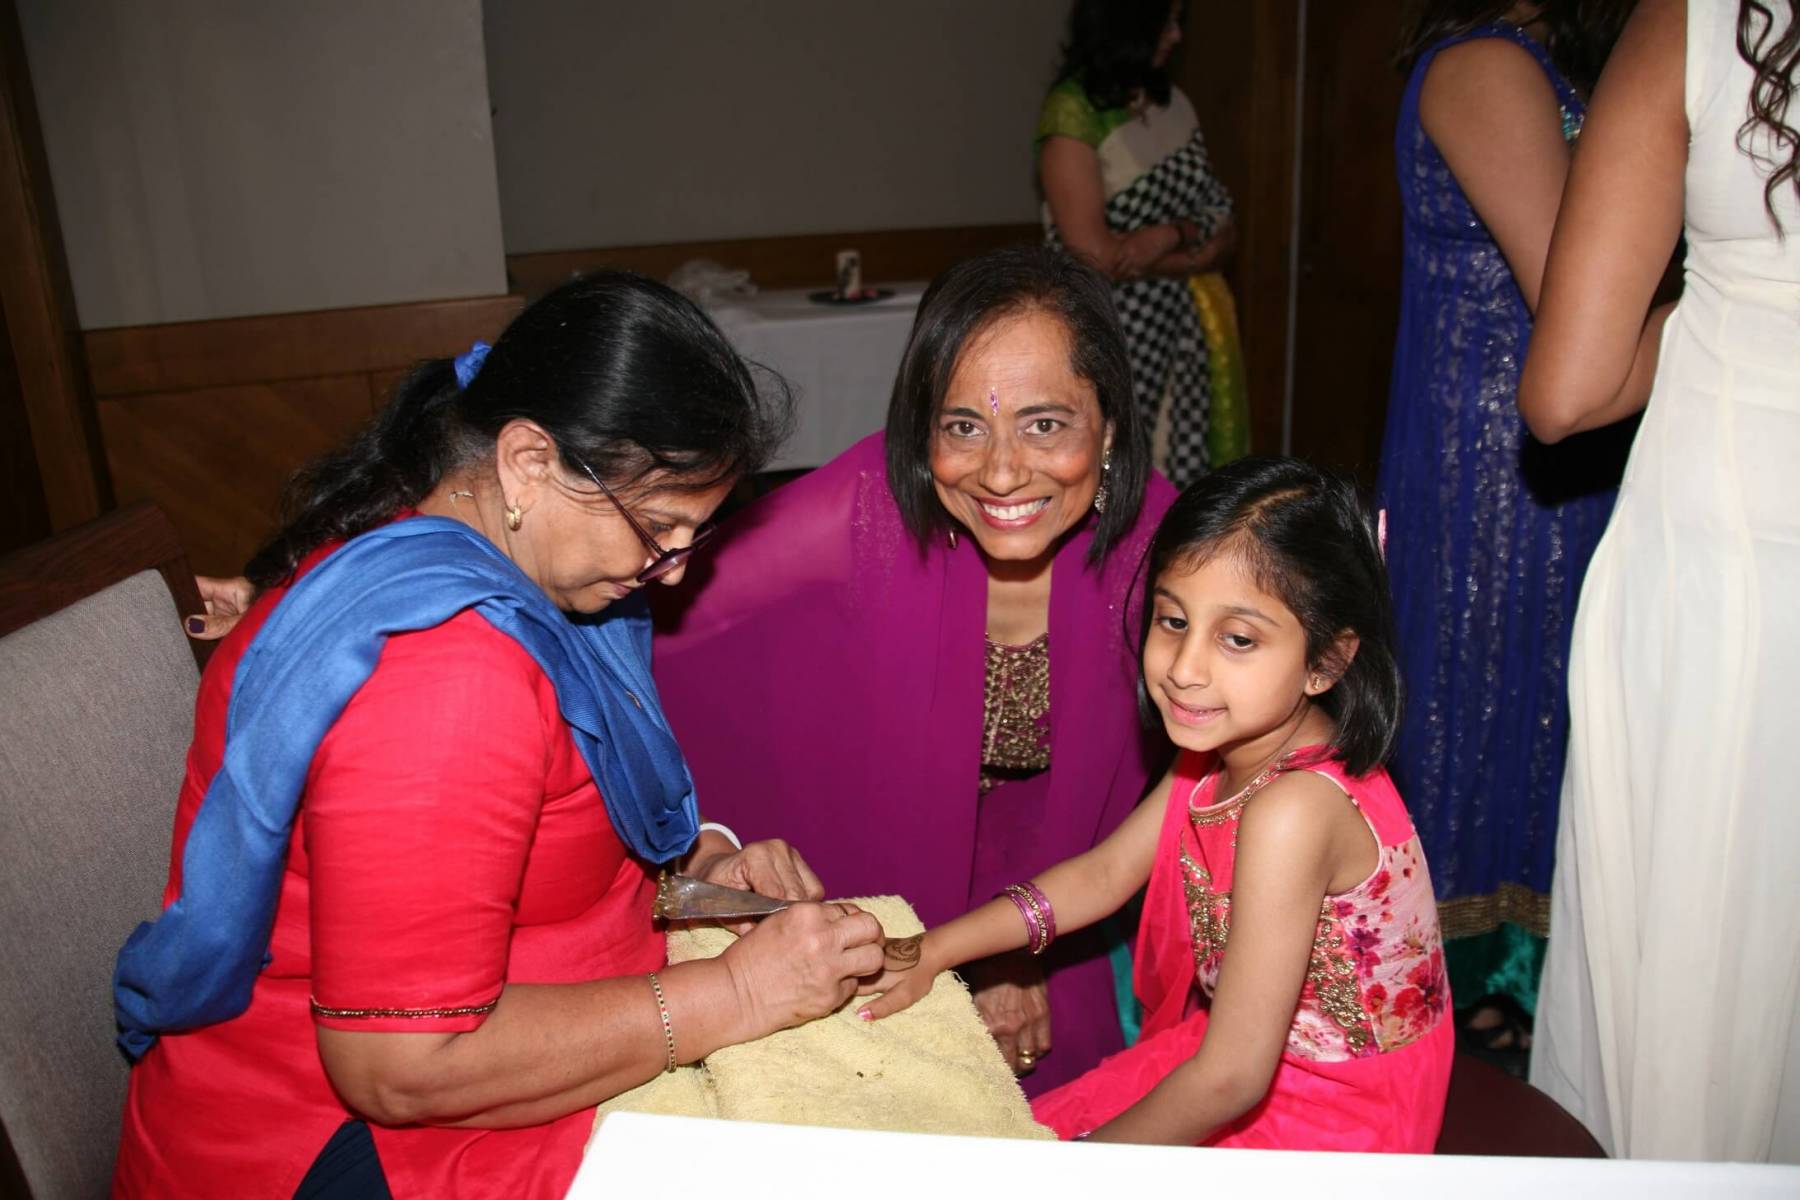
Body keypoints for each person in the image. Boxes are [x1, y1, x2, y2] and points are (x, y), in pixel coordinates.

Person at [115, 272, 890, 1198]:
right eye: (658, 528)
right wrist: (737, 995)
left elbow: (532, 842)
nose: (672, 572)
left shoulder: (450, 541)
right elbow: (402, 1067)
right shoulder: (444, 676)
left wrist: (700, 872)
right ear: (527, 461)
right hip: (346, 1146)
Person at [650, 245, 1178, 1095]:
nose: (1001, 472)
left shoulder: (1168, 558)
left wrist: (1013, 953)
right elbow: (639, 631)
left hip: (1070, 885)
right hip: (870, 866)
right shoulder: (860, 515)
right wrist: (704, 837)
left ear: (1110, 426)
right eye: (963, 426)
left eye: (1045, 425)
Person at [860, 458, 1454, 1149]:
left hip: (1335, 1115)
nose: (1184, 668)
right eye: (1173, 620)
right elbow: (1105, 875)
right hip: (1239, 1057)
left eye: (1238, 639)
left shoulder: (1295, 810)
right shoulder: (1223, 750)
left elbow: (1232, 1080)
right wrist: (935, 949)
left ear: (1326, 661)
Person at [1518, 0, 1800, 1162]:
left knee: (1701, 940)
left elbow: (1566, 392)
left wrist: (1730, 294)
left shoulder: (1696, 18)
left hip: (1731, 553)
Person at [1376, 0, 1636, 1054]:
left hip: (1547, 472)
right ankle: (1462, 1019)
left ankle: (1514, 1015)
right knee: (1484, 718)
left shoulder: (1541, 62)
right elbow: (1575, 290)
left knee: (1541, 722)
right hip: (1500, 492)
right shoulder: (1487, 64)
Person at [1036, 0, 1248, 487]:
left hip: (1187, 322)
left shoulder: (1174, 103)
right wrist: (1193, 253)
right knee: (1113, 467)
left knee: (1182, 464)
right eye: (1165, 22)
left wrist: (1168, 236)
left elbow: (1223, 217)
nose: (1176, 36)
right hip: (1109, 326)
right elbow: (1096, 256)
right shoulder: (1073, 111)